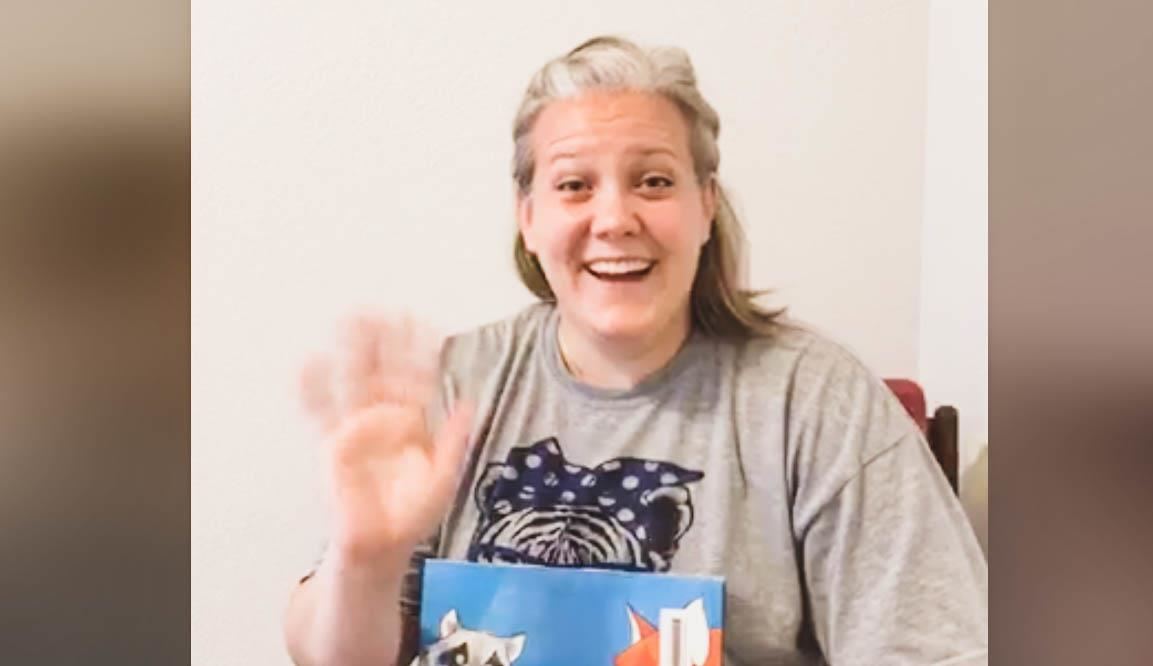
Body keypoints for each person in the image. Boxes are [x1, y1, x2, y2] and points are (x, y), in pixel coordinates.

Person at [283, 35, 988, 665]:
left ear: (705, 205)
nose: (614, 219)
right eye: (573, 186)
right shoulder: (455, 387)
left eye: (653, 180)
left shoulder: (815, 400)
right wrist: (363, 563)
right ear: (529, 218)